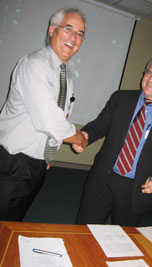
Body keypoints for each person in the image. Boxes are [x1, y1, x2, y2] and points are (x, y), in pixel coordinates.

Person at [73, 56, 152, 226]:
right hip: (104, 177)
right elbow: (99, 126)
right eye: (149, 73)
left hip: (138, 187)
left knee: (123, 241)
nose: (151, 79)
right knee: (85, 231)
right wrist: (83, 138)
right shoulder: (121, 98)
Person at [0, 8, 88, 221]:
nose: (74, 38)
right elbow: (50, 120)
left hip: (37, 163)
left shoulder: (65, 73)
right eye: (68, 29)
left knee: (14, 221)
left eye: (80, 34)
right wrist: (79, 138)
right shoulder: (35, 65)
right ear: (52, 30)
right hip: (13, 164)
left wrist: (48, 153)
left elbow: (59, 115)